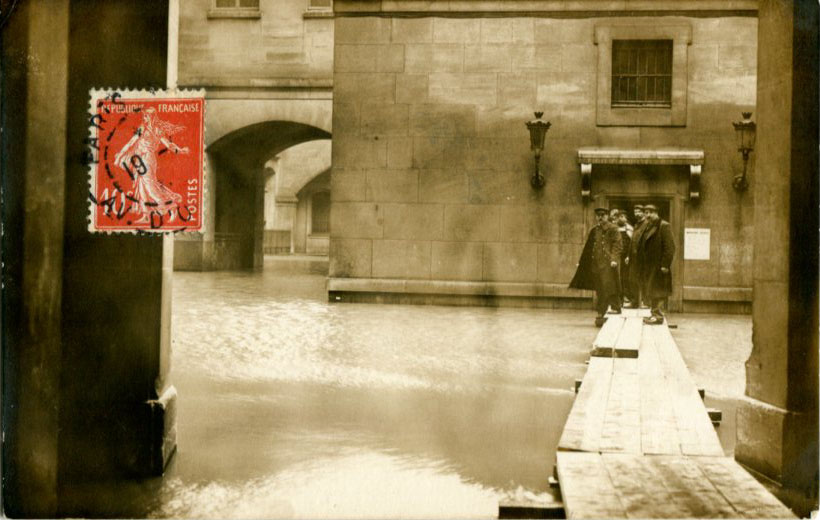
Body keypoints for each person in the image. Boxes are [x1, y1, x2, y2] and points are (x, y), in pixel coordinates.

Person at [114, 107, 189, 224]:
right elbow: (131, 142)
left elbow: (168, 144)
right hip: (139, 159)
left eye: (147, 116)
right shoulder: (142, 128)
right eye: (144, 116)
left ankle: (171, 206)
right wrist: (120, 155)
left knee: (150, 186)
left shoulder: (157, 130)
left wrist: (180, 150)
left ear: (152, 117)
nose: (145, 118)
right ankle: (146, 215)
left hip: (148, 158)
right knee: (141, 186)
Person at [570, 207, 623, 327]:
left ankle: (616, 308)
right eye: (598, 215)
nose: (600, 217)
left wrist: (614, 259)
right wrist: (582, 262)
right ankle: (601, 312)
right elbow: (588, 247)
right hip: (596, 265)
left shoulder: (613, 229)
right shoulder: (595, 230)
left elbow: (618, 245)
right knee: (600, 289)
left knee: (609, 286)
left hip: (608, 264)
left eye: (603, 215)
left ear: (607, 216)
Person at [636, 204, 675, 324]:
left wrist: (665, 264)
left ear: (655, 213)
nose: (647, 215)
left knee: (658, 291)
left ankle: (657, 316)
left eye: (649, 213)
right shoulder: (648, 226)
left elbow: (670, 248)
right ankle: (654, 313)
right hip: (649, 266)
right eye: (645, 213)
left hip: (658, 266)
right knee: (652, 290)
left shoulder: (664, 226)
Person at [626, 204, 648, 308]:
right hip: (634, 257)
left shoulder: (647, 224)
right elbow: (632, 241)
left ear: (644, 213)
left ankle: (645, 302)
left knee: (644, 279)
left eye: (639, 211)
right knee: (632, 279)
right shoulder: (636, 225)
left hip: (643, 257)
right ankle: (634, 302)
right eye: (635, 212)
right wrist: (628, 256)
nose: (636, 214)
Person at [613, 210, 632, 306]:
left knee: (626, 276)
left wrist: (629, 255)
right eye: (620, 216)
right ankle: (617, 299)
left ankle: (626, 296)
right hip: (616, 256)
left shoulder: (630, 229)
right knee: (616, 276)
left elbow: (632, 244)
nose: (622, 218)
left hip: (626, 257)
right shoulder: (613, 228)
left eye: (624, 216)